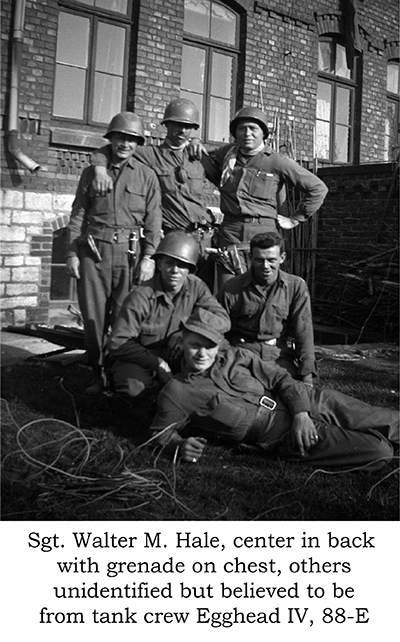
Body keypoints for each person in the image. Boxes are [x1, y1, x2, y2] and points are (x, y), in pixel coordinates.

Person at [148, 308, 398, 470]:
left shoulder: (237, 356)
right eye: (194, 345)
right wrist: (179, 445)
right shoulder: (177, 392)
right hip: (280, 434)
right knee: (378, 451)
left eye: (209, 345)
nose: (202, 353)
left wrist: (301, 414)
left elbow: (280, 378)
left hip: (303, 398)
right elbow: (159, 433)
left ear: (218, 345)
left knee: (378, 418)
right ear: (183, 342)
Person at [66, 111, 162, 394]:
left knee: (125, 315)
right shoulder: (92, 173)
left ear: (138, 143)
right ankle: (96, 371)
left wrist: (149, 257)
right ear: (111, 138)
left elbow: (154, 222)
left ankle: (118, 370)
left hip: (130, 255)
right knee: (93, 316)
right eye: (120, 137)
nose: (125, 144)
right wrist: (71, 254)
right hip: (94, 254)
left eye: (132, 139)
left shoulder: (146, 176)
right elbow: (78, 216)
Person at [91, 98, 220, 287]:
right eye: (177, 124)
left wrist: (197, 142)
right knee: (175, 292)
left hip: (205, 239)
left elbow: (224, 179)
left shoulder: (198, 155)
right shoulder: (150, 155)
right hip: (175, 239)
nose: (182, 131)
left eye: (188, 126)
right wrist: (100, 170)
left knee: (202, 293)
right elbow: (108, 149)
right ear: (166, 125)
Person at [195, 106, 328, 284]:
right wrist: (194, 142)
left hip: (262, 233)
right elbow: (202, 158)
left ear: (263, 133)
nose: (247, 133)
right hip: (230, 231)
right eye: (242, 129)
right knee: (227, 291)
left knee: (261, 288)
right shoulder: (226, 154)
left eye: (253, 129)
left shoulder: (276, 161)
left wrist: (295, 219)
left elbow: (318, 188)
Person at [108, 231, 230, 402]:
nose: (174, 270)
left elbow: (222, 320)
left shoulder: (197, 287)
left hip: (179, 353)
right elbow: (117, 343)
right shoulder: (142, 295)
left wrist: (187, 332)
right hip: (141, 357)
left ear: (190, 269)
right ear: (159, 265)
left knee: (221, 350)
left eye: (181, 265)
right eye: (169, 263)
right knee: (134, 388)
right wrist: (157, 364)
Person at [217, 232, 316, 384]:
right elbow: (217, 330)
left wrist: (307, 375)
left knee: (295, 397)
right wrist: (225, 358)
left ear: (282, 258)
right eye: (259, 260)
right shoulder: (231, 287)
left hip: (278, 357)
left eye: (271, 260)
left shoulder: (295, 286)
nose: (265, 266)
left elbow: (304, 332)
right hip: (241, 355)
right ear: (250, 258)